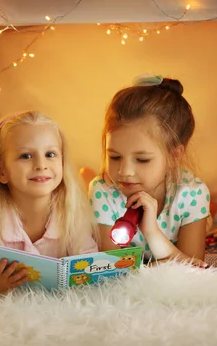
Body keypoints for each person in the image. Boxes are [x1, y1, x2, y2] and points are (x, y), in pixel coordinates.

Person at [0, 110, 98, 293]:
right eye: (26, 156)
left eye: (50, 154)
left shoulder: (72, 214)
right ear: (1, 171)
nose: (41, 165)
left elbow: (90, 261)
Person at [90, 75, 210, 266]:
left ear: (174, 156)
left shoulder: (192, 193)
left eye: (142, 159)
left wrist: (152, 232)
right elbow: (109, 267)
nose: (125, 171)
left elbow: (195, 268)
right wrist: (163, 265)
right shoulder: (102, 190)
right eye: (114, 157)